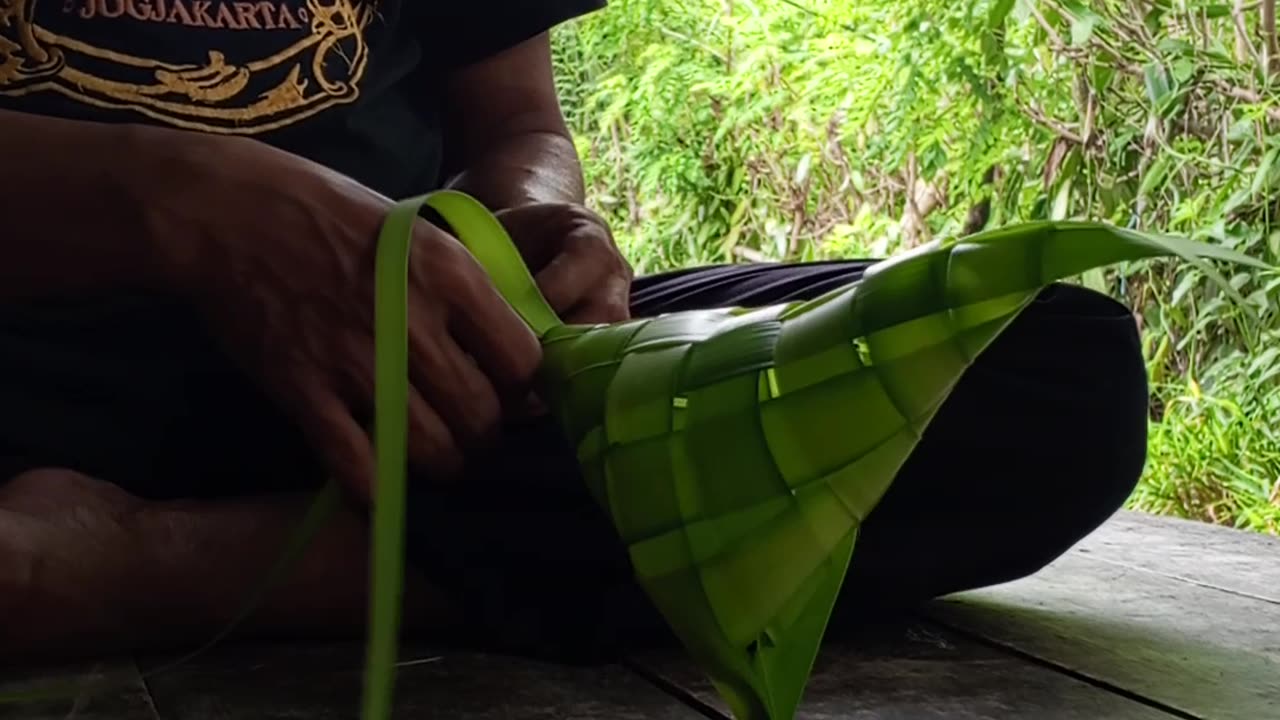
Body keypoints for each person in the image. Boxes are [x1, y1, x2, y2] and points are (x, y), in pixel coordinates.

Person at [0, 0, 1149, 663]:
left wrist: (529, 230)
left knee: (1036, 362)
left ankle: (129, 568)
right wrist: (180, 208)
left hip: (407, 382)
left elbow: (518, 123)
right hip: (35, 354)